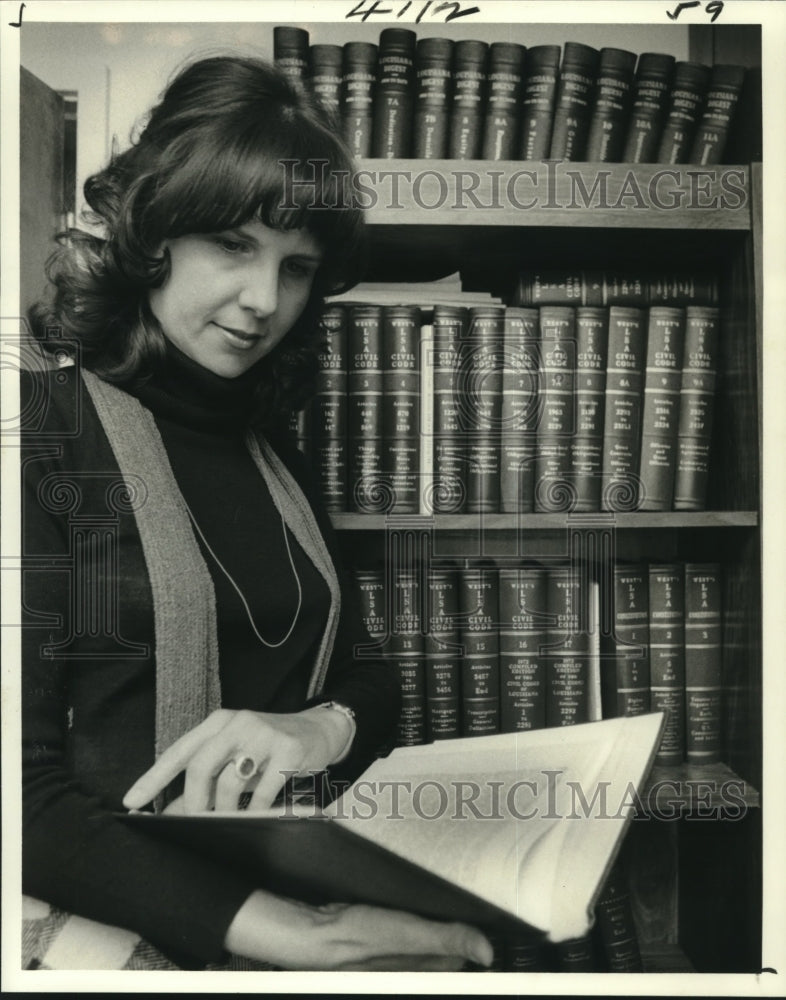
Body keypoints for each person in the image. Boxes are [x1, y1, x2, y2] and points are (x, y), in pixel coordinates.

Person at [21, 55, 493, 972]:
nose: (264, 301)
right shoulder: (41, 438)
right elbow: (16, 792)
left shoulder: (280, 462)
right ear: (155, 235)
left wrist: (316, 728)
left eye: (298, 268)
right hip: (127, 921)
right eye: (234, 245)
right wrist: (310, 935)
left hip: (292, 889)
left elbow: (365, 674)